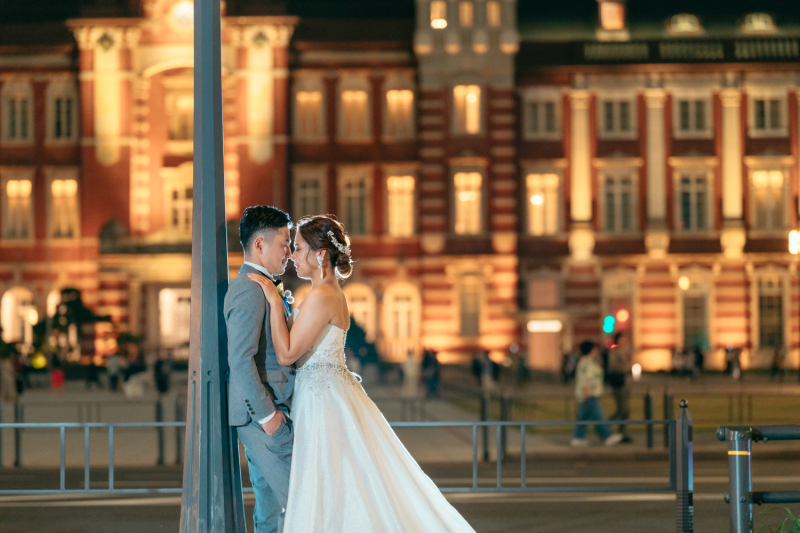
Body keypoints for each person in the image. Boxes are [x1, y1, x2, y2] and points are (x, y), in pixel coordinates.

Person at [248, 214, 475, 532]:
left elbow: (287, 353)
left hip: (321, 402)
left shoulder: (322, 297)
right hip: (328, 394)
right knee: (347, 481)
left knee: (329, 484)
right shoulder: (328, 295)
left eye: (298, 249)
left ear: (320, 254)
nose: (292, 256)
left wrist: (273, 301)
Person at [225, 205, 295, 533]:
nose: (290, 251)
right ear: (259, 245)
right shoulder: (250, 289)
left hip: (267, 411)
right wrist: (268, 418)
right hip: (263, 416)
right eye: (285, 243)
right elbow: (240, 359)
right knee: (299, 501)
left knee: (271, 512)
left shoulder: (262, 285)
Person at [570, 340, 623, 447]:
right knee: (598, 416)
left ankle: (578, 437)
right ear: (591, 350)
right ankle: (607, 436)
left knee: (583, 417)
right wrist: (587, 391)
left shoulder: (586, 361)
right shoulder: (587, 362)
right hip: (590, 394)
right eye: (594, 349)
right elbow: (586, 378)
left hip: (589, 393)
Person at [607, 332, 632, 443]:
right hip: (618, 384)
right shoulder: (614, 352)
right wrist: (624, 362)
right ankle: (608, 427)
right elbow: (612, 368)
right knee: (622, 410)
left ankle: (621, 432)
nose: (625, 341)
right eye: (623, 339)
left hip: (625, 384)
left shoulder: (625, 351)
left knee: (624, 410)